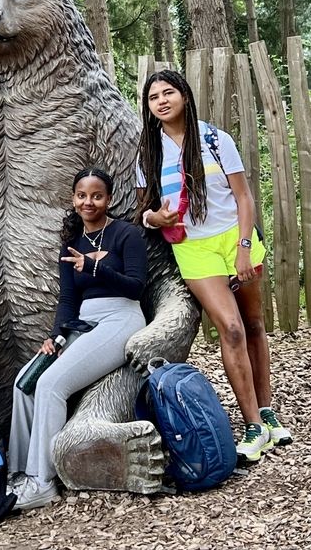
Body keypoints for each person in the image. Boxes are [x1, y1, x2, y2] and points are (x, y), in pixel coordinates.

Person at [136, 69, 292, 463]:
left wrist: (243, 247)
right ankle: (253, 425)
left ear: (184, 96)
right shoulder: (149, 152)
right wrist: (158, 219)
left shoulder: (214, 139)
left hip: (235, 240)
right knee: (232, 328)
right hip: (194, 249)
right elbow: (145, 211)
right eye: (154, 97)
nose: (162, 101)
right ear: (149, 107)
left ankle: (268, 413)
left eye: (168, 92)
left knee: (255, 325)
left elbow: (243, 197)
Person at [8, 167, 147, 510]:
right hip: (83, 323)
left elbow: (137, 286)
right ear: (73, 199)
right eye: (82, 195)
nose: (89, 202)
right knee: (25, 383)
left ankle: (43, 481)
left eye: (97, 195)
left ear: (109, 199)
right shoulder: (72, 244)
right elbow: (68, 300)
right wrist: (56, 336)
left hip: (121, 317)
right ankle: (20, 472)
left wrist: (96, 268)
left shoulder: (126, 235)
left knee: (51, 384)